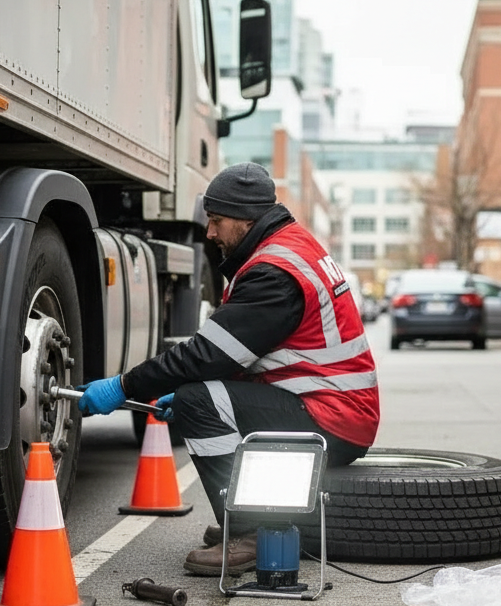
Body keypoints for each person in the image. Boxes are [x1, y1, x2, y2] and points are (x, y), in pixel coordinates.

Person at [78, 162, 379, 575]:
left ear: (245, 219)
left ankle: (254, 532)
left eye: (217, 221)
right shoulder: (283, 249)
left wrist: (123, 386)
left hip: (333, 419)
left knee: (198, 401)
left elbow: (205, 355)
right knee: (197, 399)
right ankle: (248, 520)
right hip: (332, 408)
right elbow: (248, 355)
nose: (210, 233)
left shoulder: (274, 272)